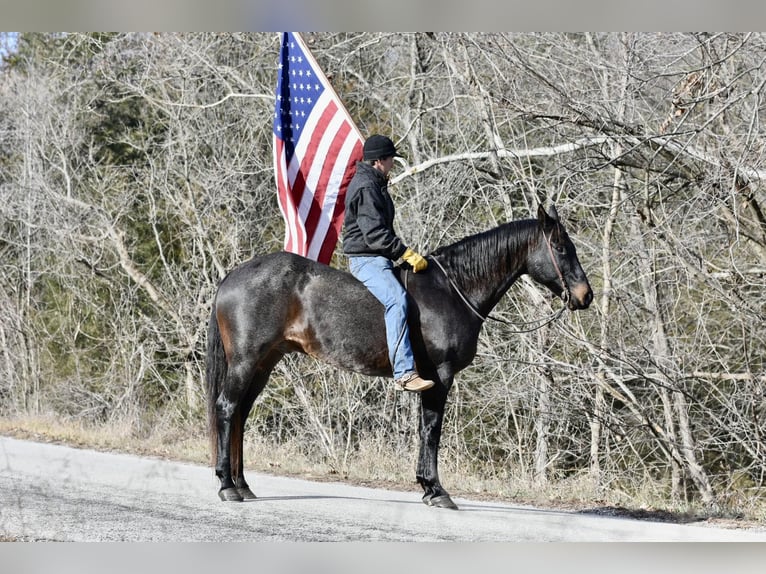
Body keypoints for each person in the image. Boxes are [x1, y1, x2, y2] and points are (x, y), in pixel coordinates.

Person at [342, 134, 435, 393]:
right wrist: (405, 253)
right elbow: (374, 236)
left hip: (378, 256)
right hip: (366, 260)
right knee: (397, 300)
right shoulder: (366, 187)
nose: (393, 162)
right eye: (391, 158)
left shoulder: (374, 182)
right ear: (379, 161)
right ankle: (404, 373)